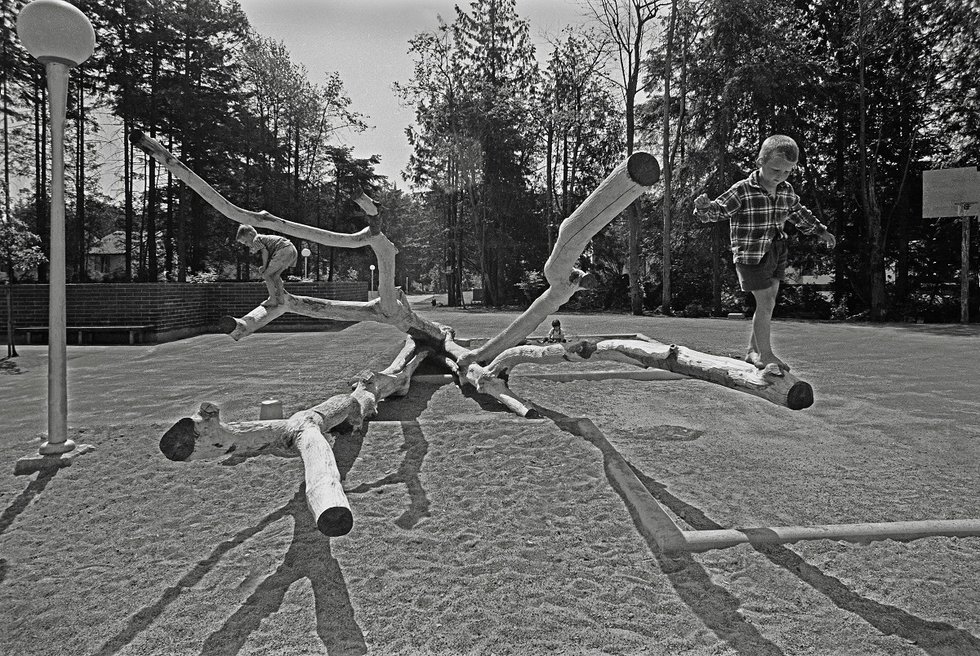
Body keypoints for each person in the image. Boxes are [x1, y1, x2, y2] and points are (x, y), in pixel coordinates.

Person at [694, 135, 836, 375]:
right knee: (766, 303)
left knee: (768, 303)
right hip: (751, 254)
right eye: (775, 169)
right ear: (760, 161)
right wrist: (704, 207)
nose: (780, 176)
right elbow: (718, 211)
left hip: (777, 250)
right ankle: (765, 354)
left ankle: (752, 350)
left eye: (788, 172)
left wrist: (821, 231)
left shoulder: (786, 190)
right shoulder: (743, 190)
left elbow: (799, 213)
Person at [236, 224, 298, 307]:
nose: (246, 244)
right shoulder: (263, 238)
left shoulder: (256, 239)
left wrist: (264, 267)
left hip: (283, 250)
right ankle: (281, 298)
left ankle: (272, 299)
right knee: (275, 275)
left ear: (251, 234)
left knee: (266, 274)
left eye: (246, 241)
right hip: (291, 249)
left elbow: (265, 252)